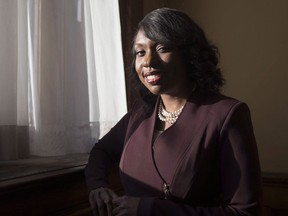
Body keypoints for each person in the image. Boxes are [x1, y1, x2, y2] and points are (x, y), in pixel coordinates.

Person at [85, 7, 262, 216]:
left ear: (189, 54)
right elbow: (101, 151)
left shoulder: (227, 115)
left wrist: (149, 209)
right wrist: (98, 186)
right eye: (140, 52)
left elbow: (244, 213)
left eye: (162, 48)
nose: (148, 62)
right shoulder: (140, 113)